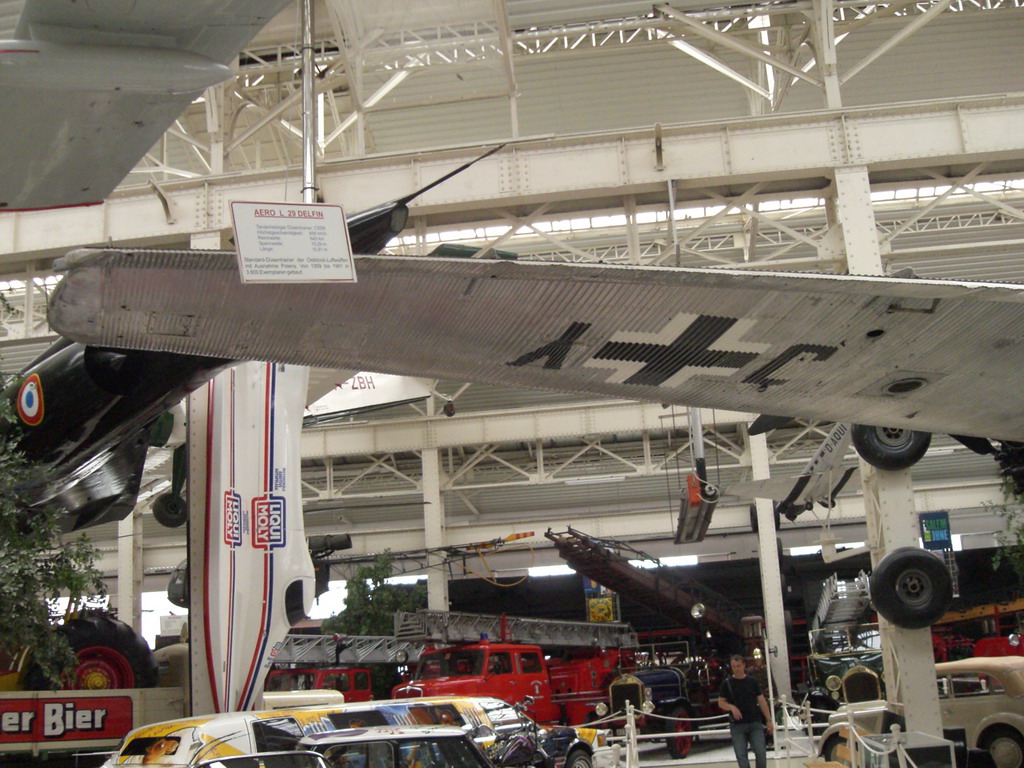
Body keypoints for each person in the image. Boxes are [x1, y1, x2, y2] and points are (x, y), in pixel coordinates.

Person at [718, 654, 774, 768]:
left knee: (761, 751)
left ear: (744, 665)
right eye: (734, 666)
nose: (736, 669)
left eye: (738, 666)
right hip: (737, 725)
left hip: (754, 722)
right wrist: (732, 707)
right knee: (741, 755)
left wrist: (768, 720)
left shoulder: (752, 681)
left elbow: (761, 701)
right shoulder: (727, 683)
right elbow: (721, 702)